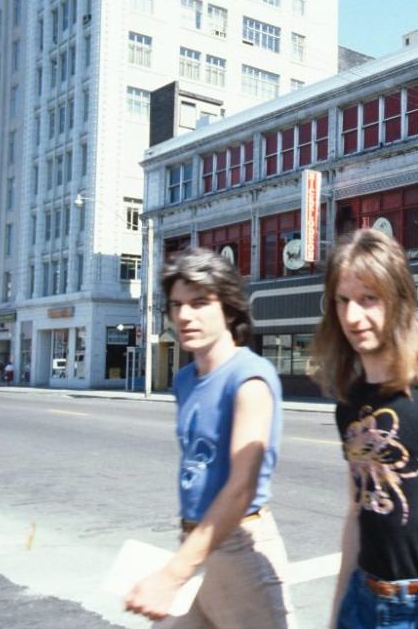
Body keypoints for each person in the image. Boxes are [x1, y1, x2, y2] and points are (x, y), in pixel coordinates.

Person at [310, 229, 418, 629]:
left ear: (399, 299)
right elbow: (357, 513)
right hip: (362, 600)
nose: (352, 317)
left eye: (368, 299)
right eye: (343, 300)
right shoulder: (349, 401)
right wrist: (338, 612)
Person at [125, 247, 295, 629]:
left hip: (240, 547)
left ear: (229, 309)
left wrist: (172, 575)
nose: (185, 315)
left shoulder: (250, 378)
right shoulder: (185, 379)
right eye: (177, 305)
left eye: (200, 303)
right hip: (193, 540)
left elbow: (241, 488)